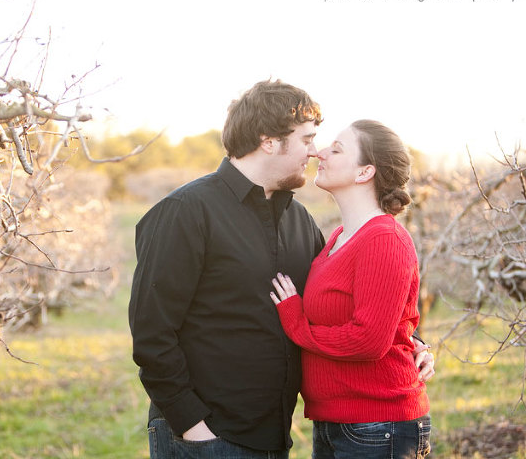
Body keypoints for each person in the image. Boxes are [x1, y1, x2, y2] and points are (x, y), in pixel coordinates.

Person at [129, 80, 434, 458]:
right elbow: (151, 332)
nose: (315, 152)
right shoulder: (186, 212)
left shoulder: (299, 221)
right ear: (269, 141)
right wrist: (193, 427)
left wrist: (414, 341)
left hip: (272, 434)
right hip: (207, 434)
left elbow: (347, 300)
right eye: (307, 140)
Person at [271, 119, 432, 458]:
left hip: (378, 425)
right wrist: (415, 342)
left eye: (336, 149)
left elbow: (369, 340)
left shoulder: (383, 239)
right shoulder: (337, 239)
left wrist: (297, 325)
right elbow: (389, 319)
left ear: (364, 173)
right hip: (338, 422)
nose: (319, 152)